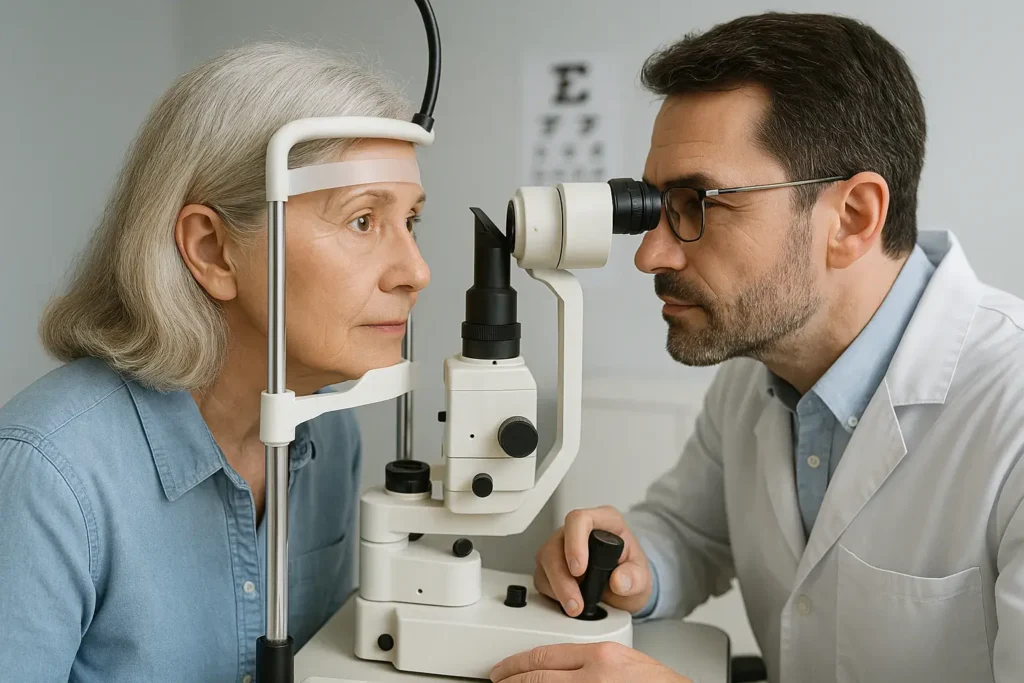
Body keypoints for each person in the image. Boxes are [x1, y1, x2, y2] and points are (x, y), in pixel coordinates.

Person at [492, 12, 1024, 683]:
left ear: (853, 217)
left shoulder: (1011, 412)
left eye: (696, 203)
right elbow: (692, 531)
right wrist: (637, 560)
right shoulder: (760, 374)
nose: (651, 253)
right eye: (654, 206)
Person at [0, 43, 430, 682]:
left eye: (411, 222)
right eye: (363, 220)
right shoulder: (50, 477)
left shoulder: (328, 429)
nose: (416, 272)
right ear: (212, 250)